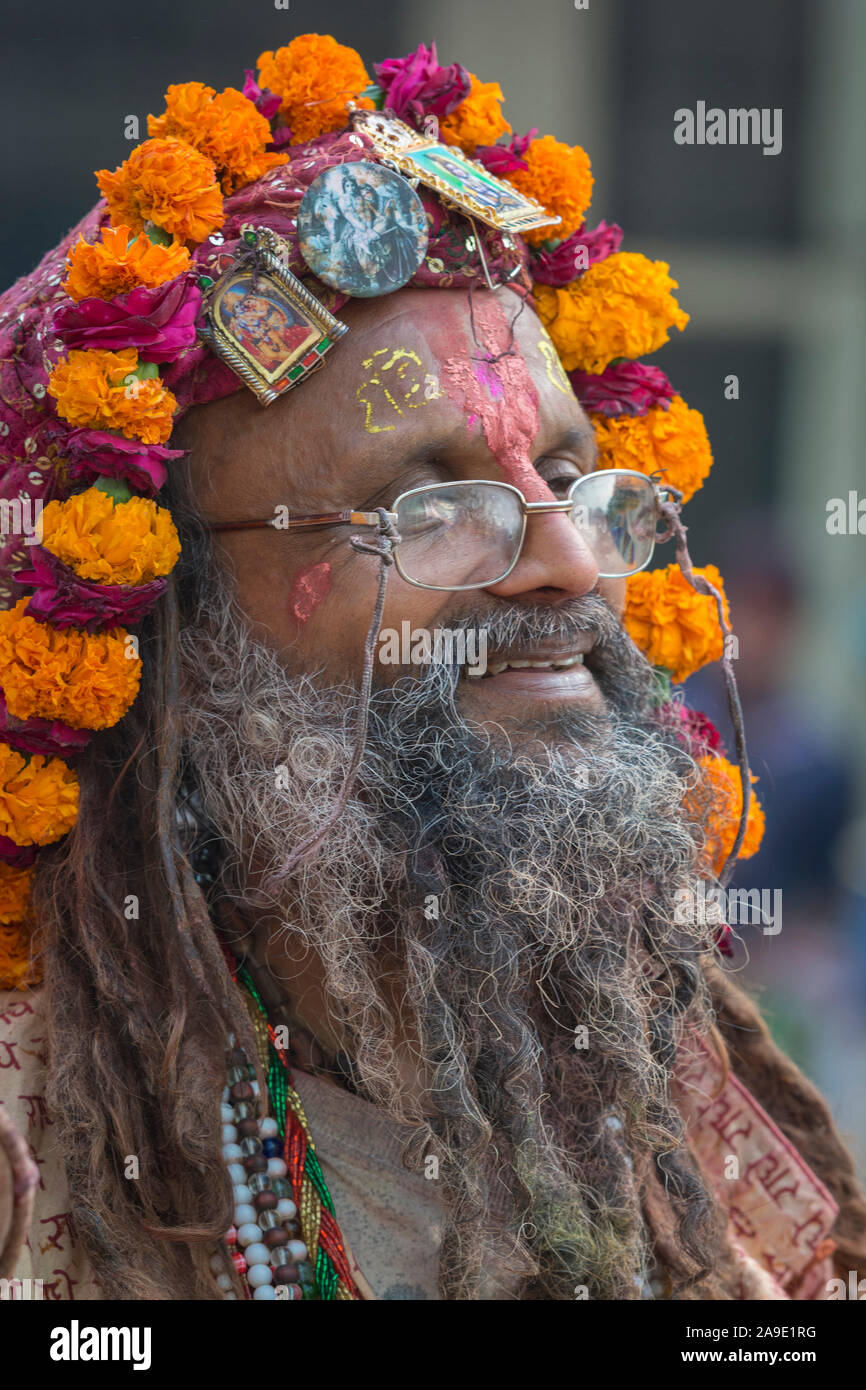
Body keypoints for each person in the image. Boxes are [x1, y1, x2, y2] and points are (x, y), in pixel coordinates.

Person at [1, 33, 864, 1304]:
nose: (567, 560)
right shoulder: (43, 1165)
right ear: (172, 631)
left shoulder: (692, 1127)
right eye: (430, 503)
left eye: (571, 481)